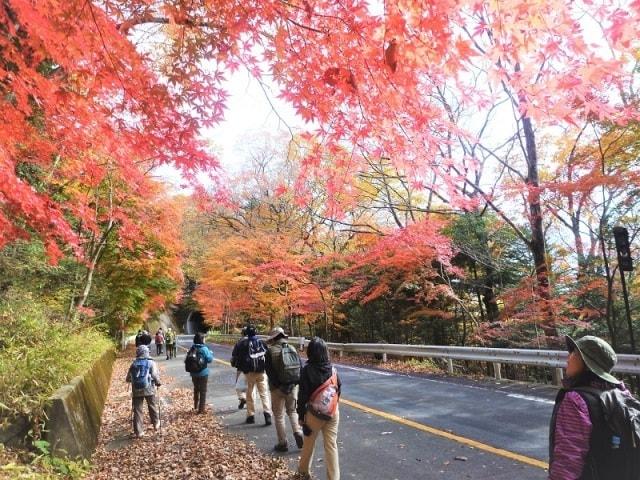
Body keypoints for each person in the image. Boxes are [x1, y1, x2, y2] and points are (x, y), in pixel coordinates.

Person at [548, 335, 633, 479]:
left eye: (574, 353)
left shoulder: (575, 400)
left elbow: (567, 462)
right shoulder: (622, 393)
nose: (568, 359)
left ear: (586, 362)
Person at [297, 337, 341, 480]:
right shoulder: (333, 369)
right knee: (331, 446)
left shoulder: (307, 370)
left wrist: (301, 416)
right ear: (325, 352)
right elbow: (338, 389)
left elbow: (303, 395)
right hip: (332, 412)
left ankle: (304, 473)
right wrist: (333, 406)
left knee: (309, 444)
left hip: (314, 415)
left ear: (310, 352)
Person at [265, 327, 304, 452]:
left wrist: (278, 385)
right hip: (292, 387)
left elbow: (269, 372)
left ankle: (282, 443)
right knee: (292, 411)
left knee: (278, 415)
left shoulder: (270, 351)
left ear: (273, 338)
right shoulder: (292, 348)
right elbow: (300, 369)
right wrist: (294, 384)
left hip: (277, 388)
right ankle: (297, 431)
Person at [230, 324, 272, 425]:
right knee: (264, 393)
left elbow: (235, 357)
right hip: (262, 372)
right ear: (256, 332)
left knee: (250, 393)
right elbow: (268, 356)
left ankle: (251, 416)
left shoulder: (242, 344)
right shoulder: (262, 342)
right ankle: (267, 414)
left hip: (249, 373)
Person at [125, 345, 161, 438]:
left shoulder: (134, 364)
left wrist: (135, 380)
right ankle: (156, 424)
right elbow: (154, 375)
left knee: (137, 410)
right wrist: (158, 382)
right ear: (146, 352)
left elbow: (128, 379)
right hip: (149, 389)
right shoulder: (151, 362)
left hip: (136, 390)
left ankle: (139, 431)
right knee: (152, 406)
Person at [189, 332, 214, 414]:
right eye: (204, 338)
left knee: (196, 389)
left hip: (193, 373)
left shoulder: (192, 348)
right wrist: (211, 353)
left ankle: (195, 406)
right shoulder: (204, 349)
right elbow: (209, 359)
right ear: (202, 340)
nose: (205, 340)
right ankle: (201, 410)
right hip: (203, 373)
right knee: (203, 391)